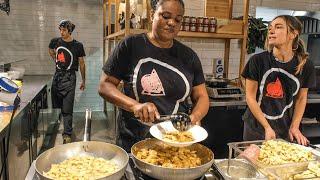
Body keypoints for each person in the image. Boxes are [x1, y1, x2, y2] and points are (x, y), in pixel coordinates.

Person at [98, 0, 209, 152]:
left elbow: (202, 96)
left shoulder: (189, 57)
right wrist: (135, 106)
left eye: (178, 19)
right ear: (152, 15)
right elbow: (105, 86)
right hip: (134, 141)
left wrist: (194, 117)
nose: (172, 23)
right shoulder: (131, 45)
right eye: (165, 16)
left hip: (176, 142)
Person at [241, 15, 316, 146]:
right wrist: (267, 127)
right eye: (270, 28)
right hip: (256, 128)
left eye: (278, 27)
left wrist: (295, 126)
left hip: (286, 128)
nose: (271, 31)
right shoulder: (257, 61)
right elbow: (250, 97)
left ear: (293, 34)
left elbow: (301, 98)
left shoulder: (305, 65)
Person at [49, 20, 86, 144]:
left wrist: (84, 80)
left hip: (70, 78)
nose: (61, 32)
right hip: (57, 77)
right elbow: (50, 50)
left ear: (69, 30)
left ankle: (67, 134)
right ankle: (56, 127)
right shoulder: (56, 41)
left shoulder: (78, 45)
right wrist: (56, 59)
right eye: (60, 29)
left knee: (67, 108)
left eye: (64, 30)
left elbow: (81, 63)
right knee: (56, 105)